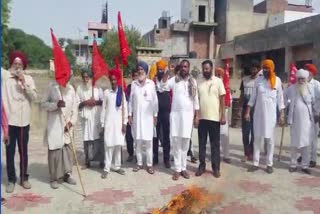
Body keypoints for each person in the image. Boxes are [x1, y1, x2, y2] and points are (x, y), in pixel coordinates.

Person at [2, 51, 37, 193]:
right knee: (10, 152)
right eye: (15, 64)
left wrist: (24, 84)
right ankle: (11, 180)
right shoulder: (7, 81)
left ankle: (24, 178)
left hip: (24, 123)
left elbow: (34, 97)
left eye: (20, 64)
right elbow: (3, 103)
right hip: (10, 123)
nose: (17, 66)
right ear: (11, 65)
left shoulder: (28, 79)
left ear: (23, 66)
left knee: (24, 152)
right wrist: (4, 127)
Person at [245, 59, 285, 174]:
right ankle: (255, 163)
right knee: (257, 139)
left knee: (270, 141)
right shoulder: (258, 80)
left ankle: (269, 164)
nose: (266, 70)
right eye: (265, 68)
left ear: (272, 68)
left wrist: (281, 114)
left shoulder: (277, 81)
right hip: (258, 115)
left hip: (271, 116)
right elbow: (252, 98)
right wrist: (247, 112)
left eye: (268, 68)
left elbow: (280, 100)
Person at [161, 60, 199, 180]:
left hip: (188, 116)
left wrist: (197, 116)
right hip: (176, 116)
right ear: (180, 68)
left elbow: (196, 100)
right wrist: (167, 72)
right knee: (176, 142)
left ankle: (183, 168)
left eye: (186, 66)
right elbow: (162, 86)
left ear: (189, 68)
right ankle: (177, 169)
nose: (184, 68)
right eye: (182, 66)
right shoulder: (174, 80)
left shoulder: (193, 82)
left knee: (185, 142)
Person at [41, 79, 79, 189]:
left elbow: (75, 109)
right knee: (54, 152)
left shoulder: (71, 89)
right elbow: (43, 104)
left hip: (67, 125)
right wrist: (56, 105)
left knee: (67, 151)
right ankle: (53, 178)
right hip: (55, 126)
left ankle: (68, 174)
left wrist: (71, 122)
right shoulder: (51, 86)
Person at [195, 61, 226, 178]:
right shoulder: (199, 81)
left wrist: (223, 115)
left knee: (215, 144)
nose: (205, 71)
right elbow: (196, 100)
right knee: (201, 143)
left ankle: (216, 168)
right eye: (204, 69)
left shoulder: (218, 81)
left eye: (207, 69)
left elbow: (222, 99)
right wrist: (196, 116)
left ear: (211, 68)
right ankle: (201, 166)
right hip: (202, 118)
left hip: (214, 118)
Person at [128, 61, 158, 174]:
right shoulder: (134, 84)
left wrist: (155, 115)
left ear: (146, 71)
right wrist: (130, 115)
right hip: (137, 118)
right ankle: (139, 163)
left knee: (149, 142)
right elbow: (130, 101)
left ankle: (149, 165)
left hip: (148, 118)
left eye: (142, 69)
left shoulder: (151, 84)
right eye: (139, 69)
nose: (140, 71)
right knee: (138, 142)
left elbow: (155, 101)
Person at [285, 69, 317, 174]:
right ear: (297, 78)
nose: (301, 80)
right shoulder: (291, 89)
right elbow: (284, 98)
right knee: (294, 144)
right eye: (299, 79)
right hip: (295, 121)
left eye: (303, 79)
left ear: (306, 79)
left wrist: (317, 114)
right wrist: (284, 107)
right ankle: (293, 164)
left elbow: (315, 103)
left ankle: (305, 165)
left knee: (306, 144)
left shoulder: (311, 89)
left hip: (308, 122)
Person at [100, 68, 127, 178]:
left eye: (115, 80)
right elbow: (103, 109)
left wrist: (124, 123)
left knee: (118, 145)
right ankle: (107, 168)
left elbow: (125, 109)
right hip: (109, 124)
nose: (113, 82)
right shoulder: (106, 93)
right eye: (111, 80)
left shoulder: (122, 93)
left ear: (118, 81)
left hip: (119, 124)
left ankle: (117, 166)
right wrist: (102, 124)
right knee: (109, 146)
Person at [76, 72, 104, 169]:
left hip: (96, 117)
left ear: (91, 78)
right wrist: (85, 102)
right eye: (84, 77)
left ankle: (100, 161)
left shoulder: (97, 88)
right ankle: (87, 161)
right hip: (86, 119)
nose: (85, 79)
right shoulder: (79, 89)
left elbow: (103, 102)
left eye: (87, 77)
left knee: (97, 138)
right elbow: (77, 104)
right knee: (86, 139)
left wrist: (94, 102)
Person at [238, 61, 260, 161]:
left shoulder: (261, 80)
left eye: (255, 68)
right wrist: (239, 109)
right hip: (246, 108)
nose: (253, 70)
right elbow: (242, 95)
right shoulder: (245, 80)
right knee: (246, 132)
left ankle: (251, 152)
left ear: (258, 69)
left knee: (255, 133)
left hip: (257, 109)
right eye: (252, 68)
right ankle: (246, 153)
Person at [152, 59, 171, 168]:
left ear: (165, 70)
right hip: (156, 113)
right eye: (158, 69)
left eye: (162, 70)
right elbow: (157, 89)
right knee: (155, 136)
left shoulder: (169, 80)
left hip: (166, 113)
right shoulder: (153, 80)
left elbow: (163, 87)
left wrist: (167, 73)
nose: (160, 71)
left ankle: (166, 159)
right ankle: (155, 159)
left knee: (166, 137)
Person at [304, 64, 320, 168]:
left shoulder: (317, 85)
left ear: (312, 73)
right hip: (304, 115)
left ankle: (313, 158)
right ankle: (304, 155)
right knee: (304, 136)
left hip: (315, 115)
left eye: (307, 71)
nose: (305, 73)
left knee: (313, 138)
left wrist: (318, 114)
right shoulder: (302, 83)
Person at [215, 67, 231, 164]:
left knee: (224, 134)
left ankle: (226, 155)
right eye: (216, 75)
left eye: (219, 75)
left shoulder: (226, 87)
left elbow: (229, 102)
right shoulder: (213, 84)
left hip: (223, 112)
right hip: (213, 112)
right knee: (214, 134)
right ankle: (215, 154)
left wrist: (224, 114)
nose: (218, 77)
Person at [125, 69, 139, 162]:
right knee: (129, 136)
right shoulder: (129, 87)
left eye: (137, 75)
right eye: (134, 76)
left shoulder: (142, 87)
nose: (135, 78)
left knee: (138, 136)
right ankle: (131, 154)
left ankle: (138, 155)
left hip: (139, 115)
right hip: (129, 115)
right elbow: (126, 100)